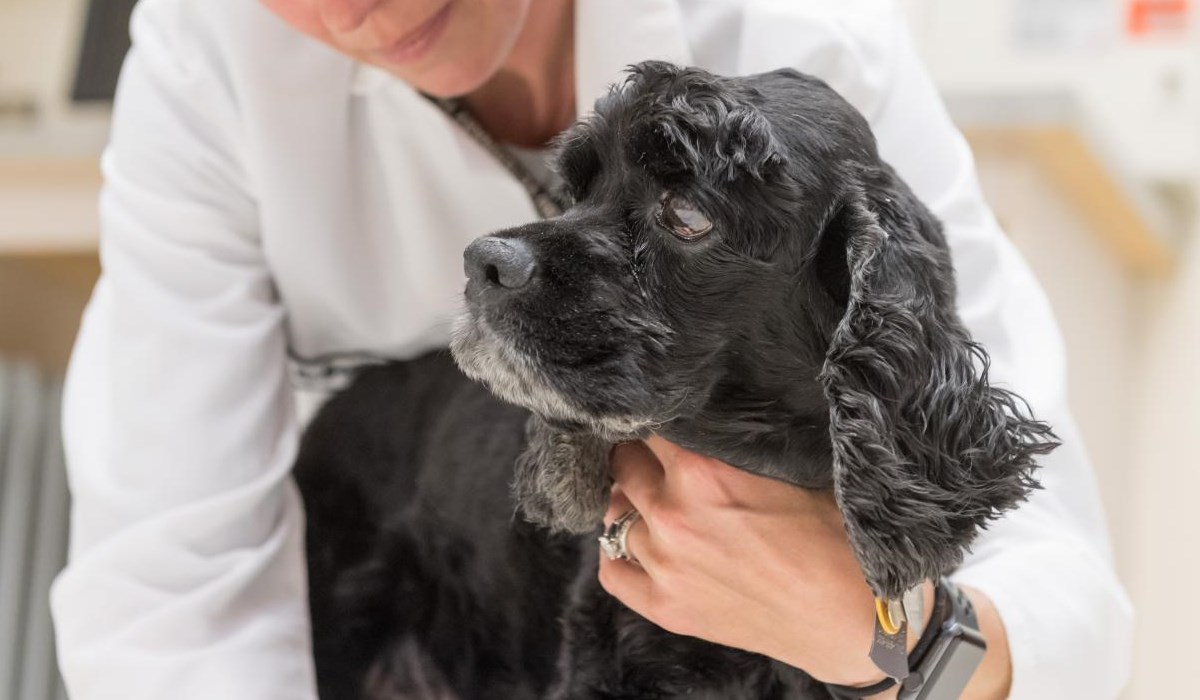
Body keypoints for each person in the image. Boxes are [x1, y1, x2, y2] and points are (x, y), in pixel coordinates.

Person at [49, 1, 1133, 698]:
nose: (349, 6)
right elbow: (168, 589)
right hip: (371, 592)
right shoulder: (207, 55)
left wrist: (888, 643)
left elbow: (1056, 579)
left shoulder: (805, 39)